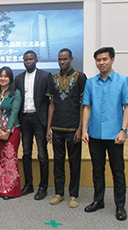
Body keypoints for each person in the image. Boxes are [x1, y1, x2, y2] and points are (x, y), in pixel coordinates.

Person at [82, 47, 128, 221]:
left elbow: (127, 107)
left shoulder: (123, 81)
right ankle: (98, 201)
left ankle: (120, 206)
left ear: (112, 59)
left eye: (104, 59)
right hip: (95, 133)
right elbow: (87, 107)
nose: (101, 63)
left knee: (118, 171)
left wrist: (123, 130)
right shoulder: (90, 82)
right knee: (98, 170)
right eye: (98, 60)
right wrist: (84, 130)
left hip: (115, 134)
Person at [46, 49, 87, 208]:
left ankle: (74, 195)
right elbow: (52, 104)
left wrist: (80, 128)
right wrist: (48, 128)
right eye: (60, 59)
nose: (62, 62)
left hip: (73, 128)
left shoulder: (80, 77)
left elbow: (84, 104)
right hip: (57, 127)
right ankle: (59, 193)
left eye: (65, 59)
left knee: (75, 163)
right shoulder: (53, 79)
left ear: (71, 59)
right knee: (58, 161)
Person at [14, 50, 52, 200]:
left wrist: (50, 126)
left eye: (31, 59)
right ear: (23, 61)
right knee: (26, 153)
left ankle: (43, 187)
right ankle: (29, 185)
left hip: (39, 119)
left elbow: (50, 102)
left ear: (36, 60)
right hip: (25, 119)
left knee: (42, 154)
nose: (28, 61)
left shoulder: (45, 76)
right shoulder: (18, 78)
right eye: (26, 59)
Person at [0, 66, 22, 200]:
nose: (3, 78)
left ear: (10, 78)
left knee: (10, 159)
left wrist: (7, 131)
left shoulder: (16, 93)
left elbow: (14, 112)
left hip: (12, 129)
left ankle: (11, 190)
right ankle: (1, 188)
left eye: (6, 76)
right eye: (1, 76)